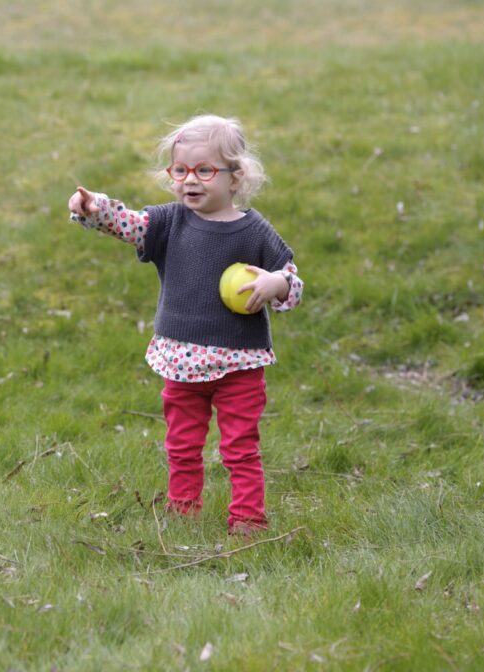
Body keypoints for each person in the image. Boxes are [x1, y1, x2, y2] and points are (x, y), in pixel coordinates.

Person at [67, 114, 304, 536]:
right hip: (181, 360)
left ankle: (248, 519)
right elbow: (128, 223)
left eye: (204, 171)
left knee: (240, 448)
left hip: (240, 364)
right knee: (181, 445)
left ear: (236, 177)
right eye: (180, 170)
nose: (190, 181)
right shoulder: (169, 222)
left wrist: (276, 283)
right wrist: (94, 207)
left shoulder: (255, 230)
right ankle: (183, 511)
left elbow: (293, 281)